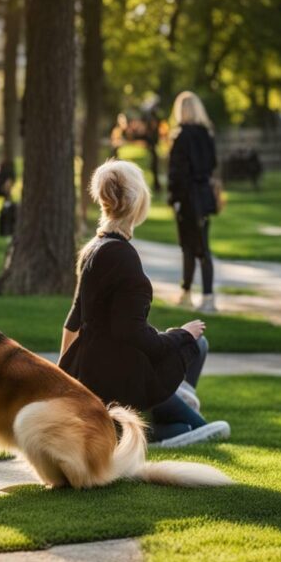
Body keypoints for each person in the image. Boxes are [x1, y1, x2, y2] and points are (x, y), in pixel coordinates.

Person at [59, 160, 230, 448]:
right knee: (209, 429)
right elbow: (132, 334)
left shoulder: (93, 248)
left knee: (197, 346)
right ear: (138, 203)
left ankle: (151, 421)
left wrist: (64, 377)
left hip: (99, 369)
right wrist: (180, 335)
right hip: (118, 377)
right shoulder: (123, 257)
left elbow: (73, 321)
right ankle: (134, 434)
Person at [169, 91, 218, 313]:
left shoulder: (181, 137)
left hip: (187, 198)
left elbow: (177, 172)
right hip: (204, 197)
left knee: (189, 247)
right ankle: (202, 295)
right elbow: (213, 164)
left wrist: (175, 198)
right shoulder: (207, 135)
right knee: (202, 247)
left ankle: (190, 294)